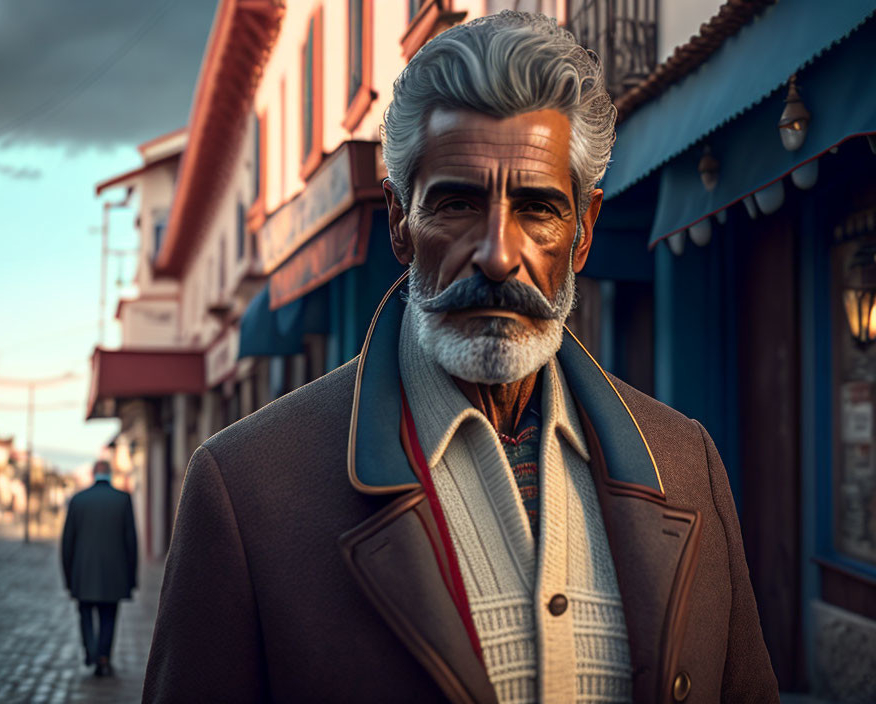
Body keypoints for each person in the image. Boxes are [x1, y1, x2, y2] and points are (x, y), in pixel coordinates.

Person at [143, 12, 778, 703]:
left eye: (538, 209)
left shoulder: (688, 466)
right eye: (457, 204)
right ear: (399, 221)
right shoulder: (247, 490)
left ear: (584, 231)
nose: (498, 256)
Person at [61, 459, 137, 677]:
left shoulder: (78, 500)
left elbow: (68, 542)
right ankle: (103, 656)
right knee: (109, 615)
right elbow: (130, 541)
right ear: (110, 474)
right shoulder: (123, 499)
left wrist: (69, 577)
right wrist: (131, 577)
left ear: (93, 474)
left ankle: (91, 652)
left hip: (82, 573)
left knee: (85, 614)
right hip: (115, 573)